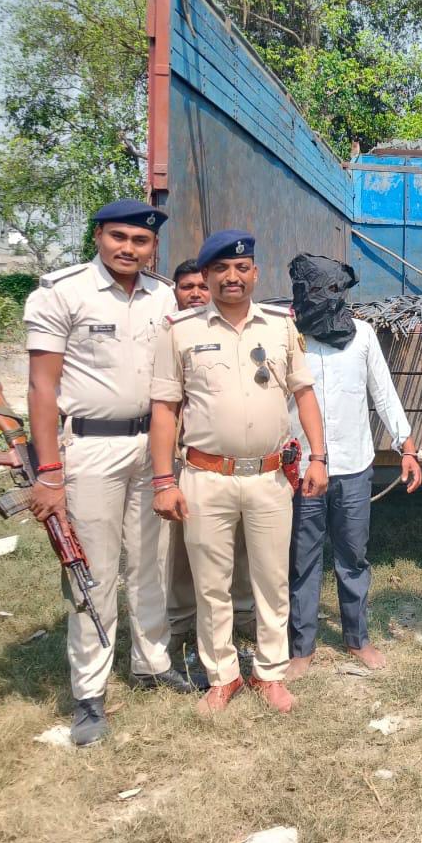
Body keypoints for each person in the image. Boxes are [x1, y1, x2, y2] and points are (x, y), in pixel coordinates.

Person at [23, 198, 193, 747]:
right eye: (119, 236)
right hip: (90, 447)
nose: (128, 248)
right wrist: (49, 472)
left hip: (153, 444)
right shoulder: (62, 292)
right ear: (98, 236)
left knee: (152, 560)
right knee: (92, 571)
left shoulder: (163, 296)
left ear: (153, 248)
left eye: (140, 241)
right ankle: (89, 693)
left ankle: (151, 663)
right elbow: (41, 387)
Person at [149, 230, 329, 715]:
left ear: (255, 273)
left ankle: (269, 672)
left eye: (242, 268)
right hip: (205, 477)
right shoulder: (179, 330)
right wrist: (163, 481)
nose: (233, 277)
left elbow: (304, 393)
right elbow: (165, 408)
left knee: (272, 580)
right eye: (221, 269)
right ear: (206, 276)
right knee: (211, 583)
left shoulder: (280, 325)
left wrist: (318, 457)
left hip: (270, 478)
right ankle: (222, 675)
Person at [285, 254, 422, 679]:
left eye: (334, 291)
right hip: (303, 470)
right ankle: (301, 646)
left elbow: (383, 392)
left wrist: (406, 446)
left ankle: (357, 638)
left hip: (354, 467)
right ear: (302, 294)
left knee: (353, 556)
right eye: (317, 291)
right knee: (302, 559)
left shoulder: (362, 335)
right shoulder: (288, 335)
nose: (327, 299)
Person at [159, 258, 255, 672]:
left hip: (222, 461)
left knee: (240, 542)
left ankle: (242, 614)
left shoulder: (231, 332)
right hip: (179, 458)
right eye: (187, 287)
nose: (196, 293)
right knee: (180, 547)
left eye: (202, 285)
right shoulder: (171, 334)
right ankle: (181, 620)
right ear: (176, 293)